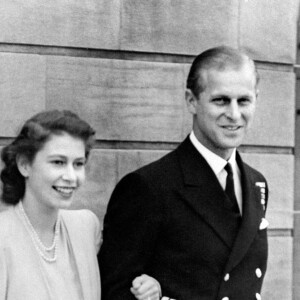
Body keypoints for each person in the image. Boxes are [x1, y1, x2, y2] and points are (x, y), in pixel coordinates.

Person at [99, 46, 269, 300]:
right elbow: (115, 290)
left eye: (244, 100)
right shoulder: (149, 187)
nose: (234, 114)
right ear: (192, 101)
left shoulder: (257, 184)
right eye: (220, 100)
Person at [0, 110, 161, 300]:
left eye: (78, 164)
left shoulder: (85, 226)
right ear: (24, 165)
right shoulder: (4, 235)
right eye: (58, 162)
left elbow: (116, 288)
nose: (71, 177)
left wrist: (150, 287)